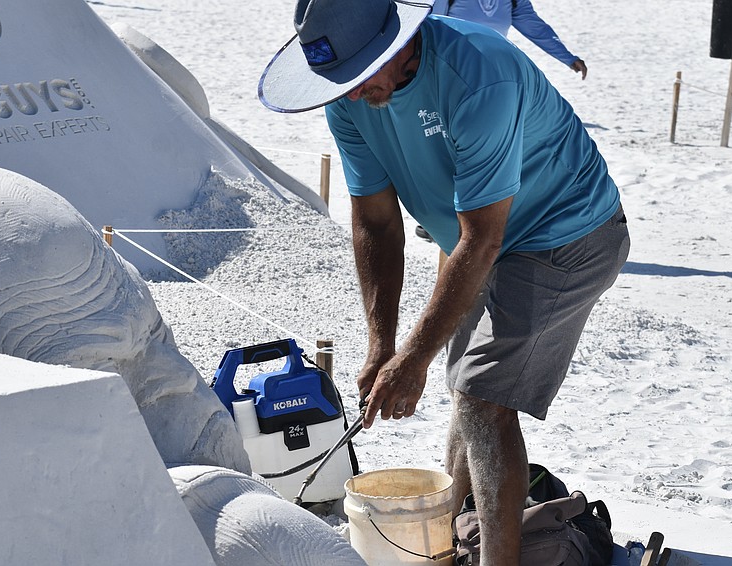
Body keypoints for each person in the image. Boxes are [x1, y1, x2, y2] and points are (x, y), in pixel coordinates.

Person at [258, 1, 629, 564]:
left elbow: (483, 239)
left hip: (566, 233)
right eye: (338, 81)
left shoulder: (478, 75)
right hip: (471, 238)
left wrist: (413, 358)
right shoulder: (350, 99)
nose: (351, 93)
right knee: (467, 386)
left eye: (359, 75)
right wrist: (384, 344)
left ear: (396, 42)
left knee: (482, 397)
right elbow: (377, 224)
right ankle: (457, 536)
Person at [432, 0, 588, 79]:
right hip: (451, 70)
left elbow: (536, 29)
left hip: (492, 71)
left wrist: (567, 57)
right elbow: (429, 26)